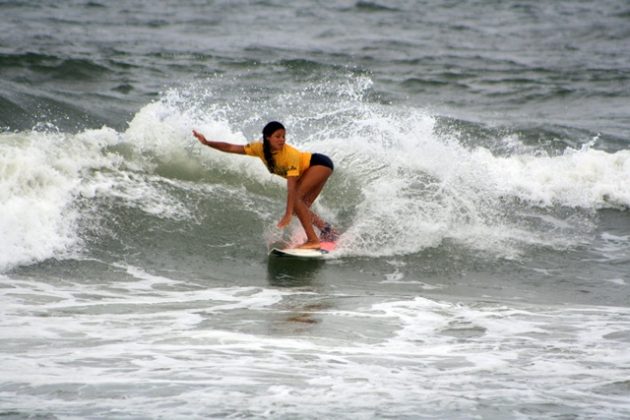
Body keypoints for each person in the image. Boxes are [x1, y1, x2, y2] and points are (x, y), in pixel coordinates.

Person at [192, 121, 338, 249]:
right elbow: (231, 147)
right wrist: (207, 142)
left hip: (319, 165)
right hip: (314, 168)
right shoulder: (259, 149)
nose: (282, 140)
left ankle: (313, 240)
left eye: (283, 136)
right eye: (278, 136)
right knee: (300, 207)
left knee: (297, 202)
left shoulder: (289, 155)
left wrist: (287, 214)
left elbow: (292, 187)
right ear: (268, 138)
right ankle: (326, 230)